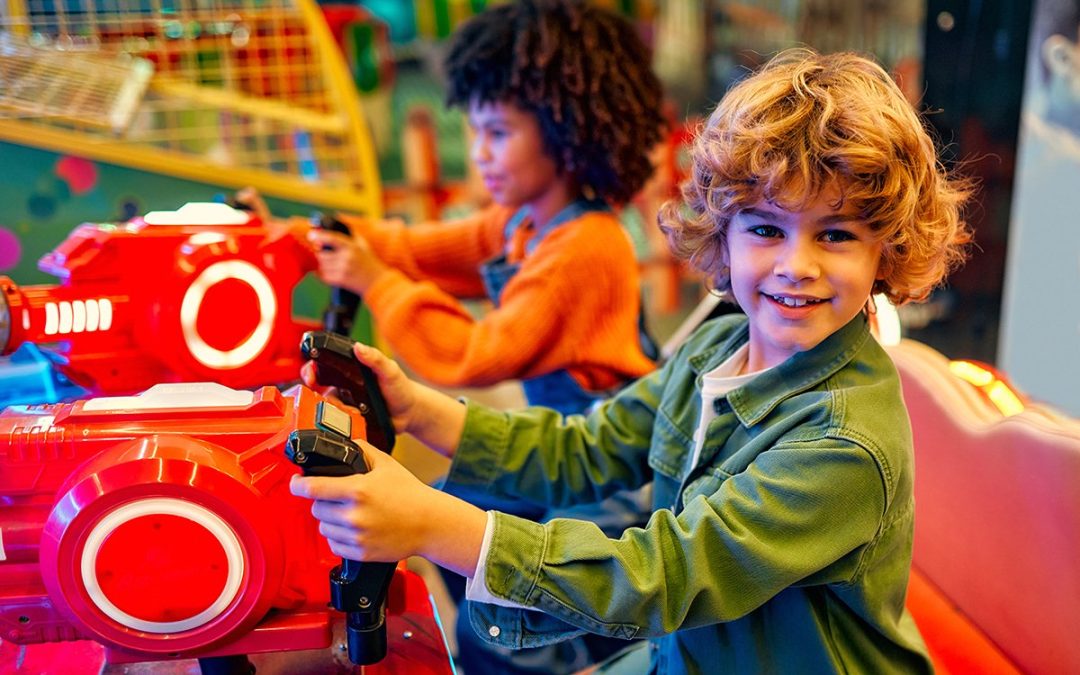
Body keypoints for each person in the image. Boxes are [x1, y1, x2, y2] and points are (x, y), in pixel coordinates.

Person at [291, 49, 973, 673]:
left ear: (885, 251)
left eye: (836, 234)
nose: (797, 266)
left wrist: (432, 523)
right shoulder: (716, 347)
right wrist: (418, 409)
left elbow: (663, 575)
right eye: (767, 228)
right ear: (724, 234)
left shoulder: (843, 446)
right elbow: (589, 445)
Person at [243, 1, 666, 672]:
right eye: (473, 132)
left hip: (602, 472)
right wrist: (302, 236)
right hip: (553, 446)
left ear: (563, 128)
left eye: (498, 132)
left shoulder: (585, 243)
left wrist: (376, 280)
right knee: (456, 506)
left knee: (506, 619)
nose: (479, 154)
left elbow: (473, 355)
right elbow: (416, 247)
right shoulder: (523, 221)